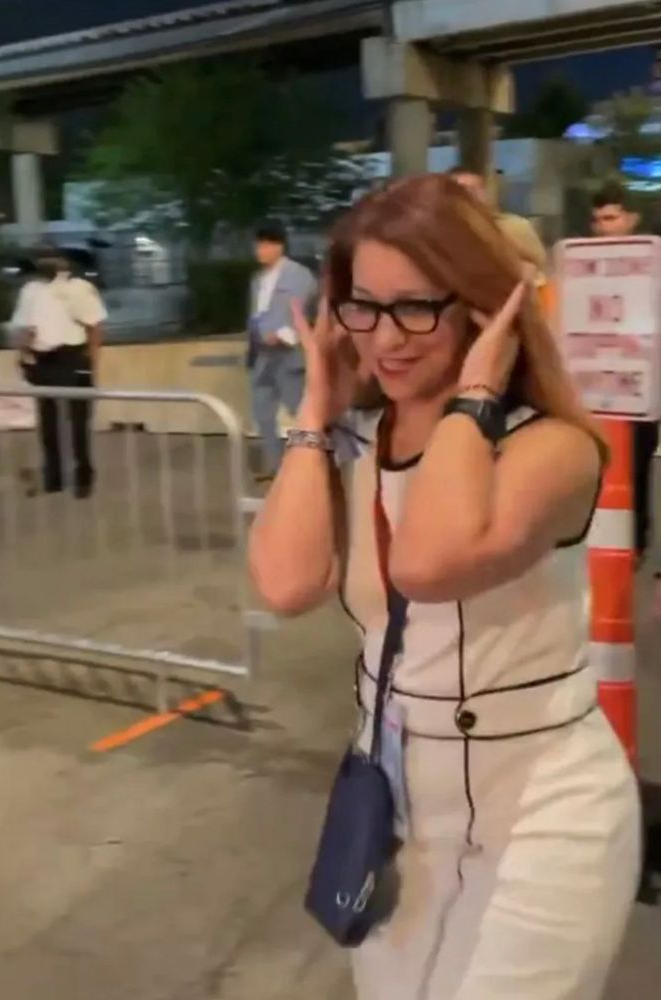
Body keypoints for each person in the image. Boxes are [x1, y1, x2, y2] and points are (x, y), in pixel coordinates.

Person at [250, 174, 640, 999]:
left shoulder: (552, 448)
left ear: (480, 305)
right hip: (396, 811)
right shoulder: (352, 446)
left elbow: (429, 565)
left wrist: (477, 391)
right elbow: (284, 584)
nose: (384, 339)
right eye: (363, 306)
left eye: (416, 307)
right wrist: (317, 406)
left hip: (540, 810)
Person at [591, 181, 659, 560]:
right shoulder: (588, 264)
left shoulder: (651, 259)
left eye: (611, 218)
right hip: (601, 380)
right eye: (598, 219)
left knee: (638, 463)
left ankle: (637, 541)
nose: (603, 227)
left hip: (642, 382)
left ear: (631, 218)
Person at [11, 245, 106, 499]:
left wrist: (92, 363)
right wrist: (22, 356)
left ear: (65, 263)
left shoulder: (78, 289)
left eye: (53, 259)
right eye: (41, 258)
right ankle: (54, 476)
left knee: (77, 423)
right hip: (43, 360)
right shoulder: (30, 290)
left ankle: (83, 476)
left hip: (73, 356)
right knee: (48, 423)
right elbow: (27, 327)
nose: (47, 263)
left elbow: (95, 327)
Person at [247, 221, 316, 480]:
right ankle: (275, 465)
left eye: (264, 245)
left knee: (299, 410)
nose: (259, 250)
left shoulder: (299, 275)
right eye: (258, 245)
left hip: (288, 353)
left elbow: (307, 313)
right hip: (262, 354)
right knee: (262, 410)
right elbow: (255, 315)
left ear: (279, 246)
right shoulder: (258, 280)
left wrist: (283, 334)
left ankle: (310, 464)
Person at [448, 166, 549, 284]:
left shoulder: (514, 227)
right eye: (462, 190)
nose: (470, 196)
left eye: (476, 189)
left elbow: (538, 270)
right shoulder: (436, 231)